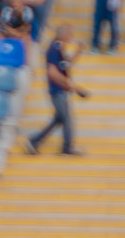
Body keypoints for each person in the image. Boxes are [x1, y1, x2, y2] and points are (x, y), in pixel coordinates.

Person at [25, 26, 85, 156]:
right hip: (57, 90)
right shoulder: (54, 49)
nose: (71, 38)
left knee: (59, 118)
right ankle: (67, 147)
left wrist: (78, 51)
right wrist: (68, 84)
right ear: (63, 35)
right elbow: (52, 72)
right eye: (70, 35)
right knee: (66, 118)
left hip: (60, 90)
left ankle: (34, 141)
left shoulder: (60, 49)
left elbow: (67, 65)